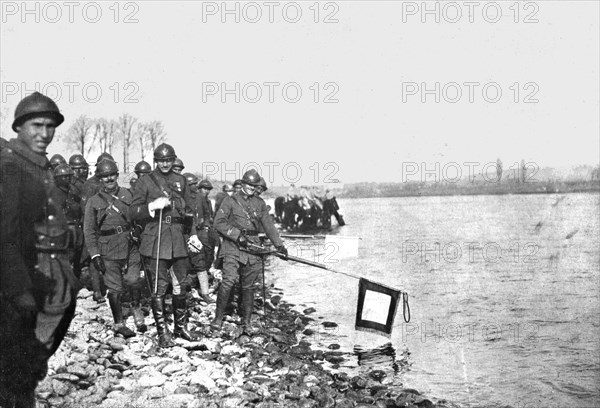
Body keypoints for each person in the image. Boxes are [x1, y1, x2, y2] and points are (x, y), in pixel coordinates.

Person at [1, 92, 80, 408]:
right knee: (16, 368)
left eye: (50, 126)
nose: (44, 134)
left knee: (28, 365)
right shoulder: (11, 166)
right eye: (36, 125)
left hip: (51, 273)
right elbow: (4, 236)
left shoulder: (39, 165)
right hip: (23, 278)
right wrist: (19, 290)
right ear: (19, 126)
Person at [130, 143, 202, 347]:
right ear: (156, 161)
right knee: (159, 287)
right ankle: (163, 333)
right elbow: (132, 212)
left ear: (173, 160)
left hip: (178, 238)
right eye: (161, 160)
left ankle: (180, 328)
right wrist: (151, 206)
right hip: (156, 238)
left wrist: (193, 235)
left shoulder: (181, 180)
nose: (165, 164)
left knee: (181, 284)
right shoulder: (145, 181)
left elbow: (188, 212)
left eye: (169, 160)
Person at [211, 169, 287, 334]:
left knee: (248, 286)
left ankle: (246, 323)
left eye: (254, 185)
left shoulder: (259, 203)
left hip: (253, 248)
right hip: (232, 247)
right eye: (249, 185)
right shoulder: (229, 201)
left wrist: (279, 246)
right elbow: (219, 223)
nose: (252, 188)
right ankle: (217, 319)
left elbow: (269, 226)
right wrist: (237, 235)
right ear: (242, 184)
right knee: (229, 281)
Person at [83, 159, 146, 338]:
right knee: (115, 288)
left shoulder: (129, 194)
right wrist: (95, 254)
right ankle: (119, 323)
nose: (109, 179)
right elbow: (89, 230)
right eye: (105, 176)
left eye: (112, 175)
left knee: (133, 280)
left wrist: (138, 230)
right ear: (100, 179)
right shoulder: (93, 201)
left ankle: (136, 307)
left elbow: (140, 217)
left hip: (130, 244)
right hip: (107, 248)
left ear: (117, 175)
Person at [81, 152, 115, 302]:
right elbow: (85, 207)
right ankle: (96, 291)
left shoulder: (110, 184)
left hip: (111, 227)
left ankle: (111, 288)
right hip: (95, 226)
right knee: (93, 258)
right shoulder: (90, 184)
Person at [184, 174, 214, 304]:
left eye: (195, 184)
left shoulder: (200, 197)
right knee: (183, 261)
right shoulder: (180, 198)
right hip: (184, 233)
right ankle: (184, 291)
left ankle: (205, 292)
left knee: (202, 259)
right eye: (192, 184)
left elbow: (207, 214)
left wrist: (206, 226)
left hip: (200, 231)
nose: (195, 186)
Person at [54, 163, 85, 278]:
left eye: (69, 176)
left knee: (77, 255)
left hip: (75, 227)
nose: (67, 178)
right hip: (61, 229)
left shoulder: (74, 191)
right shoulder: (54, 193)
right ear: (57, 178)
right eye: (64, 176)